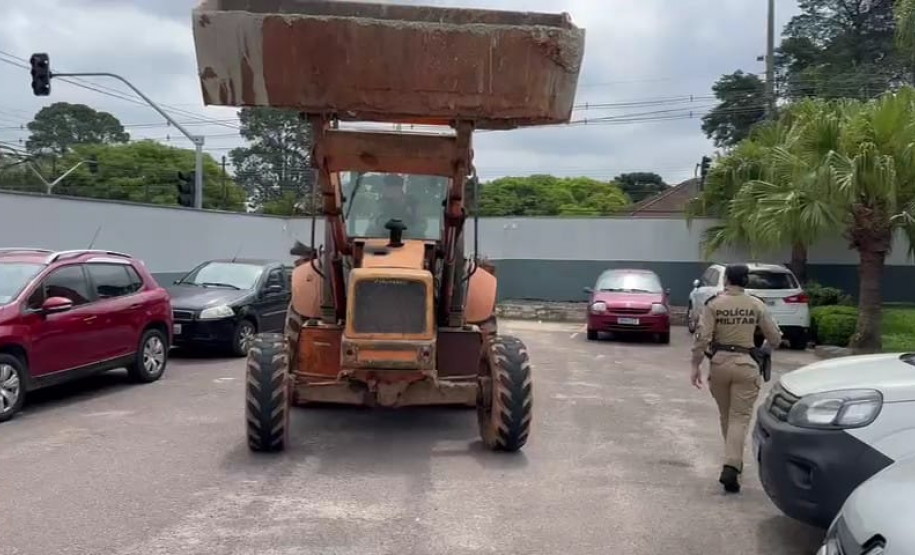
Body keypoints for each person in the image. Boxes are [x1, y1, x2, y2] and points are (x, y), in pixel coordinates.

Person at [690, 263, 782, 493]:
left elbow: (702, 338)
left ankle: (733, 462)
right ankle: (732, 464)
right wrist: (764, 350)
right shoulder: (755, 304)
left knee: (727, 416)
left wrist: (695, 366)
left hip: (719, 364)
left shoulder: (714, 304)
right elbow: (775, 337)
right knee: (739, 418)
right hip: (746, 364)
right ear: (746, 281)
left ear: (727, 280)